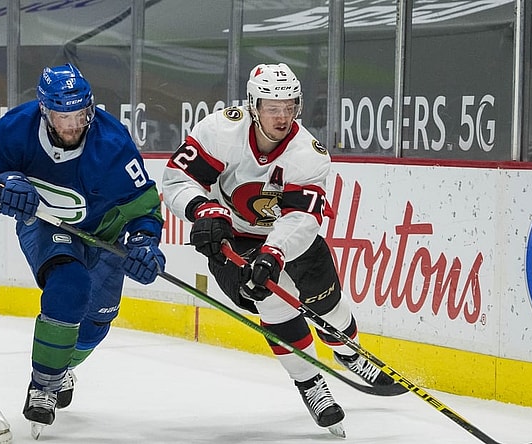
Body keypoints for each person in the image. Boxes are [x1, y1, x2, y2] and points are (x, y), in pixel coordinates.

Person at [161, 63, 399, 434]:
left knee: (328, 304)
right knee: (271, 296)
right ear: (254, 106)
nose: (283, 116)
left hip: (289, 237)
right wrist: (202, 208)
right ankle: (310, 383)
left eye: (290, 106)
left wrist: (274, 253)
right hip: (232, 235)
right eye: (273, 107)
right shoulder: (221, 130)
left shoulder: (308, 153)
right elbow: (178, 180)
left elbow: (301, 220)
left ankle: (349, 352)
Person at [0, 63, 166, 431]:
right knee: (69, 286)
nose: (74, 125)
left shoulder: (112, 143)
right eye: (64, 116)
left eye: (81, 115)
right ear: (45, 112)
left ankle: (62, 368)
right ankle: (42, 385)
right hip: (44, 224)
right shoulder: (15, 129)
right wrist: (0, 189)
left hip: (104, 235)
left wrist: (143, 241)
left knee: (95, 326)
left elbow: (144, 204)